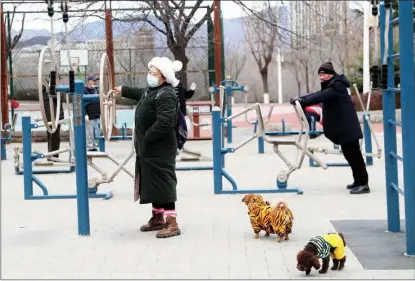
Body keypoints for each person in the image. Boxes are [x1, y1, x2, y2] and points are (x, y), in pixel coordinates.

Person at [112, 57, 183, 238]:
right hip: (148, 148)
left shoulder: (166, 94)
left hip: (160, 148)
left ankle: (172, 222)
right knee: (152, 183)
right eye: (149, 72)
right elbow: (139, 93)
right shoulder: (152, 91)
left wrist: (147, 137)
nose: (149, 76)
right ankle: (158, 217)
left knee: (163, 182)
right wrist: (122, 90)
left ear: (163, 77)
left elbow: (165, 122)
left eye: (154, 73)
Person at [290, 62, 370, 194]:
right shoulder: (333, 84)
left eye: (324, 74)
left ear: (331, 74)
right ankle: (358, 181)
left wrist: (303, 101)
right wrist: (301, 98)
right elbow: (318, 94)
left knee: (354, 156)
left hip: (347, 127)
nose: (321, 77)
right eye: (320, 74)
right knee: (350, 155)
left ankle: (363, 184)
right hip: (345, 126)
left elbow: (321, 96)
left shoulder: (337, 85)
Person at [42, 76, 64, 159]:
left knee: (55, 136)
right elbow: (47, 97)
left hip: (57, 116)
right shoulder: (45, 89)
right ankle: (52, 155)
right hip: (50, 116)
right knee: (51, 136)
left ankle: (53, 155)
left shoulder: (59, 89)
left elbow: (60, 97)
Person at [84, 75, 100, 151]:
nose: (95, 82)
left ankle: (95, 146)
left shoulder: (97, 90)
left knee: (97, 132)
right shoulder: (84, 90)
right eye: (93, 81)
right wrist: (85, 114)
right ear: (89, 81)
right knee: (89, 132)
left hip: (97, 114)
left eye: (95, 81)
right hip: (89, 115)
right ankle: (90, 147)